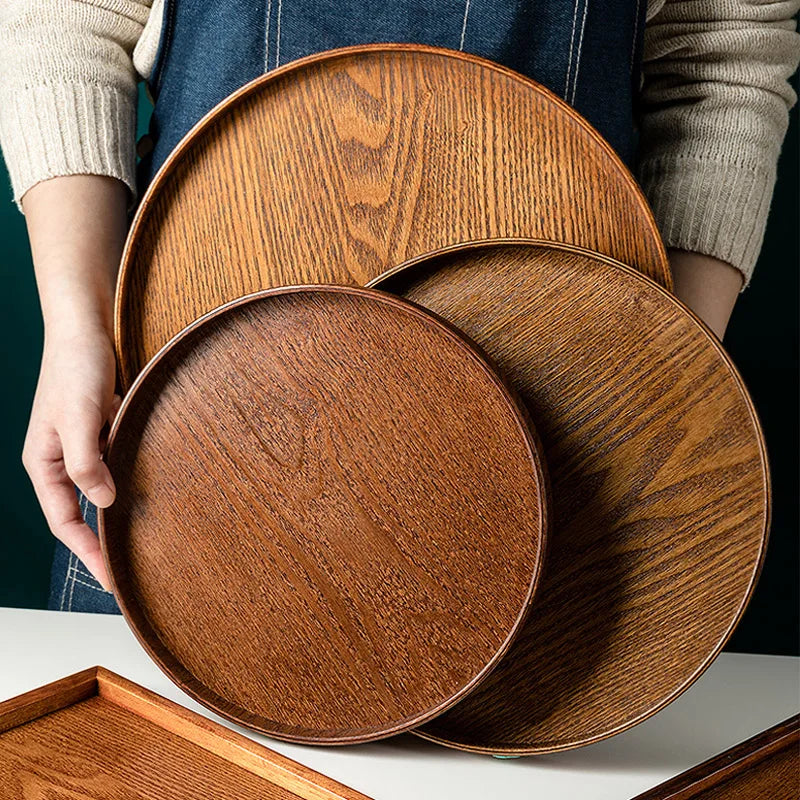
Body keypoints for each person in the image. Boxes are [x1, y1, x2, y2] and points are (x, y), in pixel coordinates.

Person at [1, 0, 798, 613]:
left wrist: (673, 389)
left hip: (564, 452)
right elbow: (64, 23)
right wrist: (77, 329)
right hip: (183, 440)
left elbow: (720, 66)